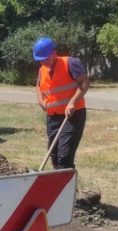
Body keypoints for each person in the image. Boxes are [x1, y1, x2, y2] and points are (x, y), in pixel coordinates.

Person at [33, 37, 90, 169]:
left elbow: (85, 82)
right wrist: (41, 101)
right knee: (53, 154)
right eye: (41, 60)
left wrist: (73, 102)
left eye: (46, 58)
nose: (44, 62)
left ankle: (66, 186)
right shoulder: (42, 70)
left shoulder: (71, 63)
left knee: (64, 157)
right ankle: (58, 185)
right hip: (53, 117)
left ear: (54, 53)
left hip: (72, 116)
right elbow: (38, 85)